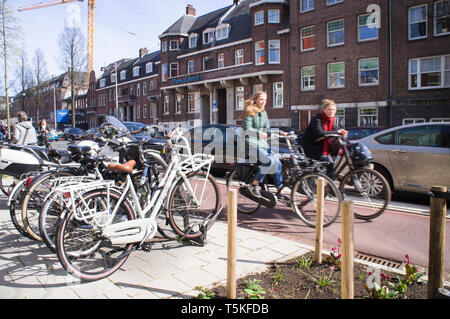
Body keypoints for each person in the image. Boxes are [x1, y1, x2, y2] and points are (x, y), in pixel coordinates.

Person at [241, 91, 287, 199]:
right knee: (268, 161)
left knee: (278, 163)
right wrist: (259, 133)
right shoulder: (249, 111)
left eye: (265, 100)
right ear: (255, 99)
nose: (263, 102)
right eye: (261, 99)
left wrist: (279, 132)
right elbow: (246, 129)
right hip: (250, 144)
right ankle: (254, 184)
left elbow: (267, 130)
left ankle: (279, 189)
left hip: (262, 144)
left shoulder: (264, 113)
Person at [302, 99, 348, 174]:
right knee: (329, 164)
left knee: (330, 164)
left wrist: (342, 132)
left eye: (333, 109)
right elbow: (320, 133)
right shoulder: (317, 119)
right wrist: (337, 132)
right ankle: (328, 183)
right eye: (329, 109)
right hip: (310, 146)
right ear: (324, 110)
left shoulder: (331, 121)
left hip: (321, 147)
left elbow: (335, 130)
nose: (331, 111)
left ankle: (327, 182)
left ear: (336, 111)